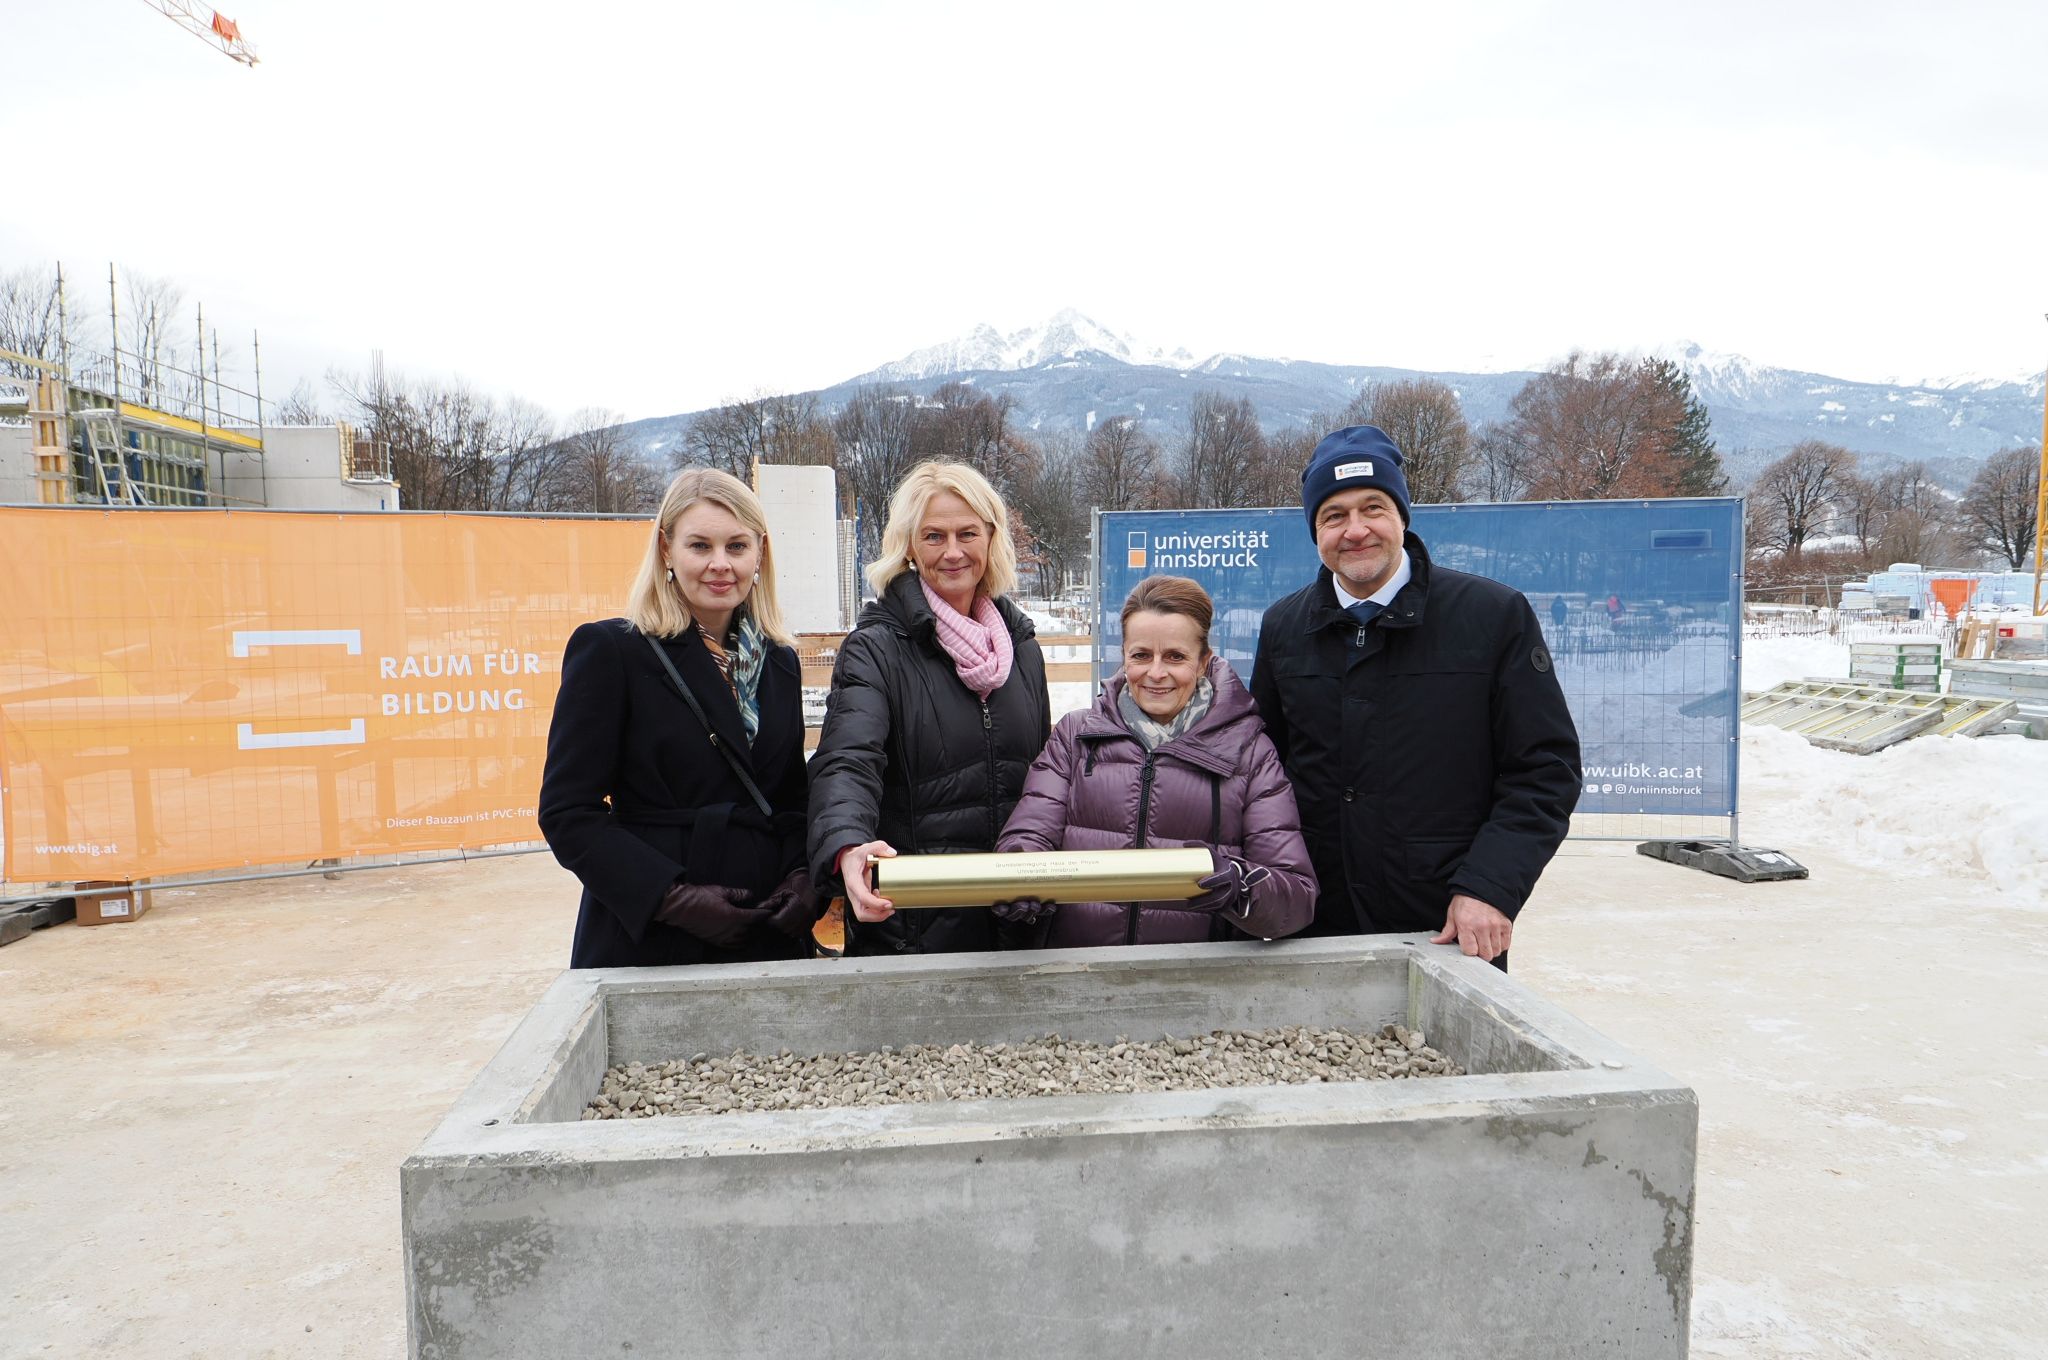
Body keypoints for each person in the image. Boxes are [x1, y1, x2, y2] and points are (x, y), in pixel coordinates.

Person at [1249, 426, 1581, 966]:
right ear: (1315, 531)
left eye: (1373, 508)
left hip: (1447, 923)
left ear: (1402, 515)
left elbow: (1545, 771)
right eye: (1334, 516)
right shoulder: (1284, 626)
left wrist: (1490, 886)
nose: (1356, 530)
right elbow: (1262, 771)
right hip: (1313, 922)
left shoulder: (1493, 616)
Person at [539, 468, 819, 968]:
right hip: (653, 935)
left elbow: (790, 797)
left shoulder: (779, 660)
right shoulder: (612, 651)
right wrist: (670, 898)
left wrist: (803, 875)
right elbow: (568, 813)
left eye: (736, 546)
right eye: (700, 546)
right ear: (666, 549)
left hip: (765, 927)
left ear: (760, 553)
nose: (720, 564)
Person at [807, 461, 1051, 955]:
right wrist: (847, 844)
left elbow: (1046, 776)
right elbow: (848, 760)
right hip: (912, 927)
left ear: (991, 538)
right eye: (934, 536)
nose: (954, 551)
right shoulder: (876, 649)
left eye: (967, 533)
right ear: (910, 547)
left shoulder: (1021, 649)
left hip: (1015, 924)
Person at [993, 575, 1316, 947]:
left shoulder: (1248, 751)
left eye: (1176, 657)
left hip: (1198, 983)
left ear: (1202, 662)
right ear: (1124, 656)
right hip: (1081, 973)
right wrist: (1020, 879)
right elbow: (1029, 834)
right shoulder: (1076, 736)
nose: (1156, 673)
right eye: (1141, 655)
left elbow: (1295, 895)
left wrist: (1240, 887)